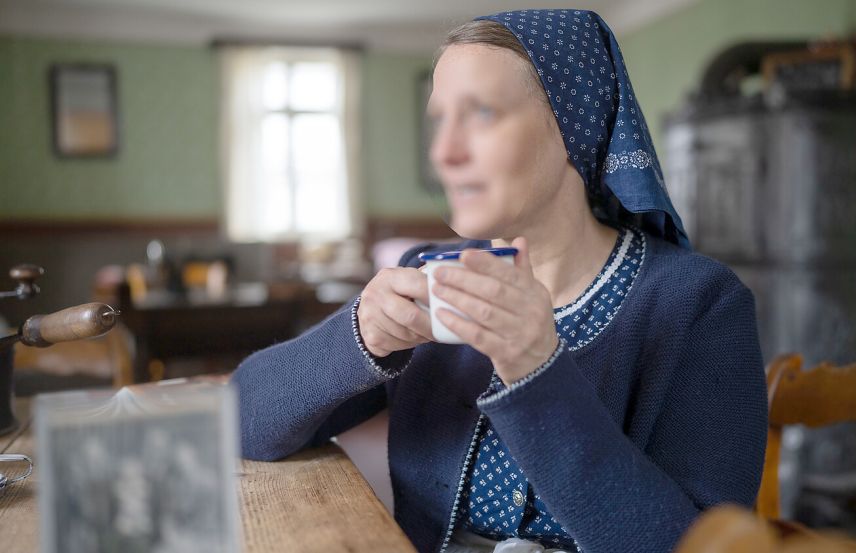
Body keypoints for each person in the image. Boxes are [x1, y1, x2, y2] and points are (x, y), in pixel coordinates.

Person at [231, 9, 767, 553]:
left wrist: (539, 376)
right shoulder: (431, 277)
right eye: (439, 120)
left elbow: (697, 546)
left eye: (482, 114)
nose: (444, 153)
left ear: (572, 126)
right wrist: (357, 336)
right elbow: (241, 421)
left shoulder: (700, 304)